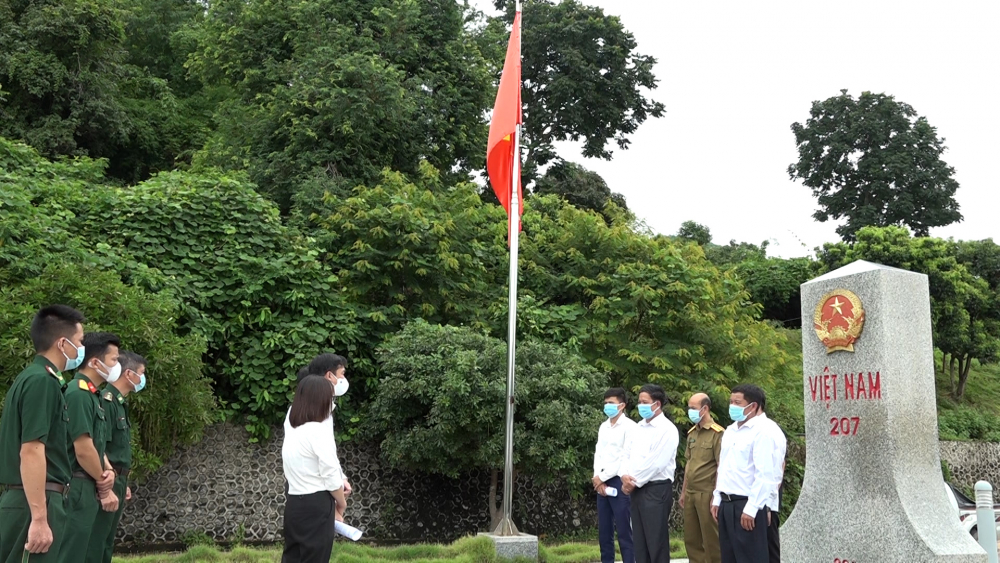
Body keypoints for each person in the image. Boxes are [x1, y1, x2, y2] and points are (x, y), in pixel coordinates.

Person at [0, 305, 85, 562]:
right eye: (80, 342)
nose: (81, 349)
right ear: (62, 343)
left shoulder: (36, 378)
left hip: (34, 497)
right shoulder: (41, 382)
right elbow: (32, 449)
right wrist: (39, 518)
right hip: (35, 499)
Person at [59, 333, 122, 563]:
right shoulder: (78, 393)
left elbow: (97, 443)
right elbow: (83, 448)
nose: (117, 367)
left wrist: (107, 469)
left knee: (86, 551)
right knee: (72, 553)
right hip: (76, 484)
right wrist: (104, 484)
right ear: (95, 362)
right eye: (114, 360)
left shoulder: (93, 396)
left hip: (88, 484)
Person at [87, 351, 147, 563]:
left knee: (107, 541)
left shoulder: (120, 403)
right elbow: (98, 445)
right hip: (106, 479)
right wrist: (108, 480)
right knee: (96, 541)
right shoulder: (107, 401)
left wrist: (123, 480)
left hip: (118, 479)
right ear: (129, 374)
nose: (143, 379)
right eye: (141, 373)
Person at [711, 384, 781, 563]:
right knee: (730, 557)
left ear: (754, 406)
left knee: (750, 558)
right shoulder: (731, 431)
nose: (732, 406)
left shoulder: (763, 431)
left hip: (747, 504)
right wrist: (718, 497)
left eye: (738, 402)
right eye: (731, 402)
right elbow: (724, 467)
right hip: (727, 504)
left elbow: (765, 474)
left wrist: (752, 508)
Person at [282, 375, 347, 563]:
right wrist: (341, 504)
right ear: (321, 400)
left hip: (294, 503)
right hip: (316, 504)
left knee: (292, 557)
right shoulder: (318, 431)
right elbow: (331, 475)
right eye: (330, 398)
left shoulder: (292, 431)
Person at [621, 384, 679, 563]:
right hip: (636, 488)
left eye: (645, 402)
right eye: (639, 402)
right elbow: (626, 454)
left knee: (656, 542)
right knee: (640, 541)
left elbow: (656, 463)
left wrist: (632, 481)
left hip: (656, 490)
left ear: (657, 404)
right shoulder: (638, 427)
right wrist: (624, 475)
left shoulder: (667, 430)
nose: (641, 406)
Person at [593, 388, 637, 563]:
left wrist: (602, 478)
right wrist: (597, 478)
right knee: (604, 532)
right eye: (605, 403)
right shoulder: (604, 426)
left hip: (619, 480)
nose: (607, 406)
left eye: (611, 403)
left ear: (622, 405)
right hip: (601, 481)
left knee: (625, 531)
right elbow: (599, 453)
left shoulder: (630, 427)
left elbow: (623, 457)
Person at [680, 393, 724, 563]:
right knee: (692, 539)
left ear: (705, 409)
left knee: (711, 540)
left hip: (707, 493)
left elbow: (721, 466)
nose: (689, 411)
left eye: (693, 408)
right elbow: (688, 464)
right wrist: (683, 492)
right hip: (691, 493)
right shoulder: (692, 433)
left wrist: (716, 495)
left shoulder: (717, 434)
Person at [758, 397, 786, 563]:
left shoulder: (769, 430)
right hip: (749, 497)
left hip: (767, 497)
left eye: (738, 403)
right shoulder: (741, 429)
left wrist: (768, 505)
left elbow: (777, 468)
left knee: (768, 544)